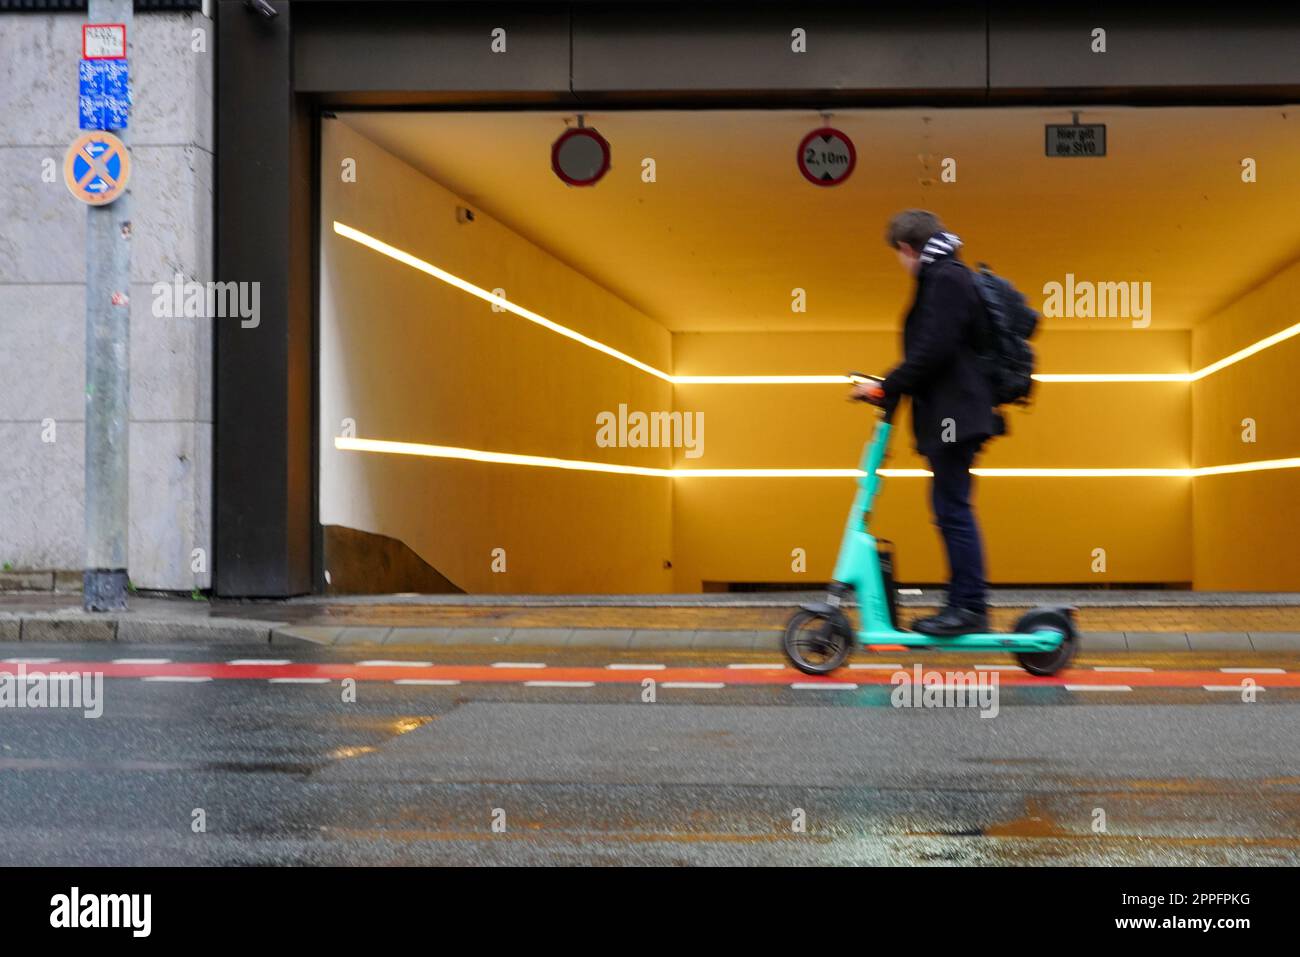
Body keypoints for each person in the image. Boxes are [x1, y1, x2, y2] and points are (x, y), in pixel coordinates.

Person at [853, 210, 1001, 637]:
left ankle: (969, 608)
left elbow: (934, 349)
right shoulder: (946, 276)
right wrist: (889, 386)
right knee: (949, 509)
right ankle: (963, 605)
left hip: (955, 415)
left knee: (953, 509)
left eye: (898, 255)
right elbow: (934, 350)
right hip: (951, 414)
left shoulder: (946, 278)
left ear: (906, 248)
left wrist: (886, 386)